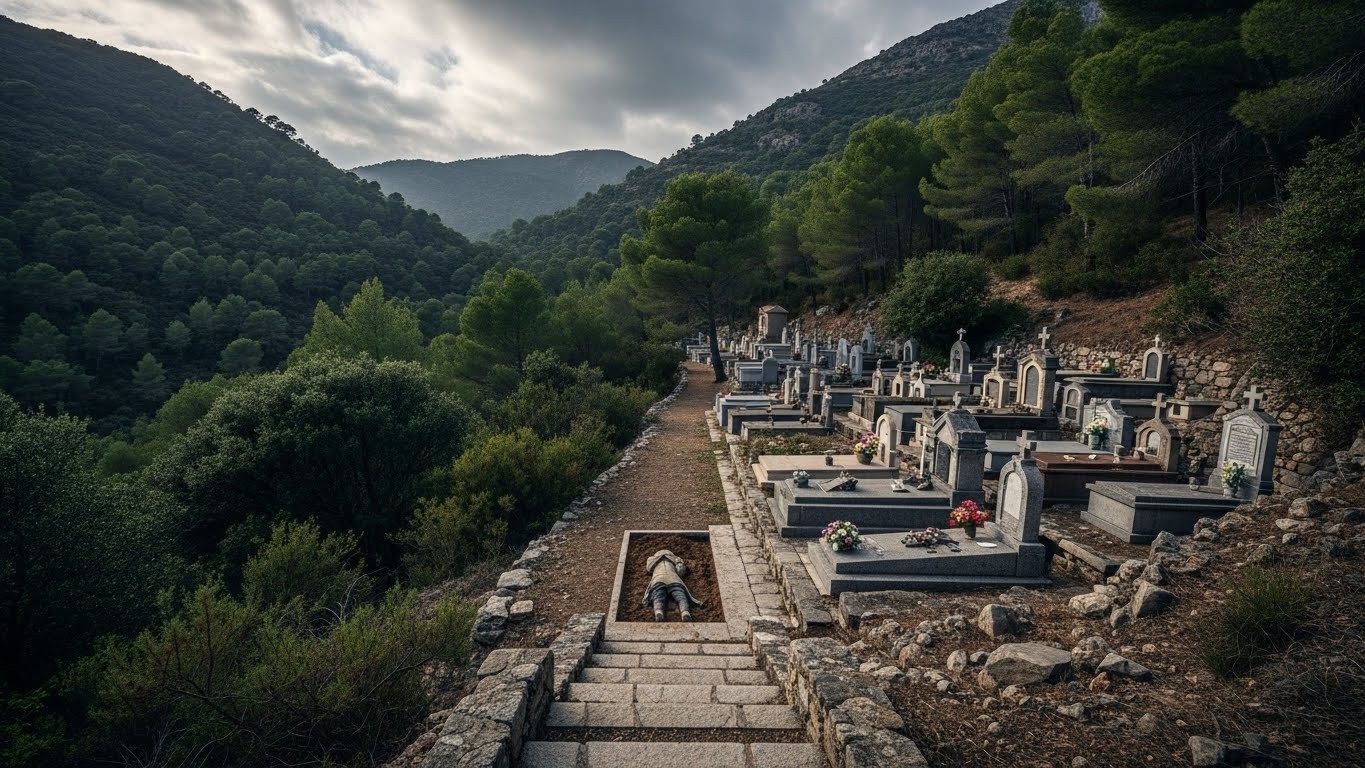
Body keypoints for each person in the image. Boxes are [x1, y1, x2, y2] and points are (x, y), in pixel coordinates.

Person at [641, 549, 705, 622]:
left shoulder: (676, 559)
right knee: (659, 595)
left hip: (673, 579)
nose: (664, 553)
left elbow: (681, 572)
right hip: (659, 578)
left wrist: (679, 563)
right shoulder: (651, 559)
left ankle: (685, 613)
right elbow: (649, 568)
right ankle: (659, 613)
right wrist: (662, 557)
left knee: (680, 596)